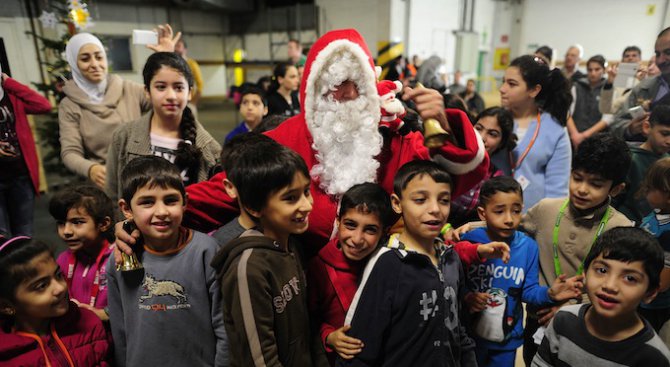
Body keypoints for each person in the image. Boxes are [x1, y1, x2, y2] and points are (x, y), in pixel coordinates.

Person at [118, 28, 488, 263]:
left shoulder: (396, 139)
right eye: (333, 84)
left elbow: (453, 180)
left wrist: (447, 121)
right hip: (305, 287)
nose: (343, 95)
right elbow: (223, 192)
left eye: (353, 83)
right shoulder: (285, 139)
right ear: (313, 90)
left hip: (384, 285)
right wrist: (149, 214)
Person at [337, 160, 479, 367]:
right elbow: (358, 351)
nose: (435, 209)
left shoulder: (451, 258)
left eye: (444, 200)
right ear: (397, 203)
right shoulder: (386, 264)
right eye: (420, 200)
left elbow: (458, 330)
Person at [210, 140, 328, 367]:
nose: (307, 205)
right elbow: (259, 357)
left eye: (306, 192)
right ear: (254, 207)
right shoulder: (248, 268)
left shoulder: (291, 245)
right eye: (290, 198)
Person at [106, 156, 227, 366]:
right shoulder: (119, 258)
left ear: (185, 202)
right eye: (147, 202)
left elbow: (224, 326)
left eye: (170, 200)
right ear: (126, 209)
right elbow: (120, 328)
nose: (161, 212)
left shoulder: (206, 252)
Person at [461, 176, 583, 367]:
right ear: (482, 214)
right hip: (468, 337)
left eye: (516, 211)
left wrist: (550, 293)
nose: (509, 219)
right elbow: (453, 282)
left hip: (507, 341)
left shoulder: (528, 247)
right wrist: (467, 296)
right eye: (499, 211)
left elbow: (528, 291)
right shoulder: (470, 242)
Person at [59, 25, 180, 188]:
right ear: (74, 63)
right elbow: (70, 152)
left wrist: (167, 59)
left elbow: (170, 101)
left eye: (99, 57)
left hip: (146, 175)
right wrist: (91, 169)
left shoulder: (129, 89)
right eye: (85, 59)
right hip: (107, 182)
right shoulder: (70, 105)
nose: (95, 64)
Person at [532, 227, 670, 366]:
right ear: (585, 274)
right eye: (602, 270)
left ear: (650, 293)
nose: (610, 285)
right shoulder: (563, 319)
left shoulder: (654, 357)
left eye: (630, 278)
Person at [105, 52, 221, 204]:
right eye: (161, 87)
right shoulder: (123, 137)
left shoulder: (209, 149)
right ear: (147, 91)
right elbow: (112, 195)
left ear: (190, 93)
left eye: (179, 87)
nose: (171, 95)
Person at [307, 183, 395, 364]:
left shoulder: (388, 265)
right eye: (350, 225)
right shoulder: (319, 266)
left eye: (370, 229)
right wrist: (329, 336)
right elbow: (308, 318)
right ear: (338, 222)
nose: (357, 239)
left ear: (384, 233)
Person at [0, 236, 111, 365]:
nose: (60, 288)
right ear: (6, 306)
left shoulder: (89, 322)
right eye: (41, 286)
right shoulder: (6, 356)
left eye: (58, 275)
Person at [497, 54, 572, 210]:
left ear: (533, 90)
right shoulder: (493, 121)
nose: (502, 89)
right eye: (503, 82)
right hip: (489, 215)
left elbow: (557, 190)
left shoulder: (554, 129)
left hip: (533, 220)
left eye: (512, 84)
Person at [48, 185, 114, 321]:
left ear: (103, 224)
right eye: (61, 223)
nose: (66, 231)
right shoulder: (63, 260)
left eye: (77, 222)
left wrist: (102, 314)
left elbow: (133, 304)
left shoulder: (118, 259)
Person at [0, 70, 51, 238]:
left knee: (24, 232)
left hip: (20, 175)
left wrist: (9, 83)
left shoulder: (11, 96)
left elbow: (44, 105)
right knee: (2, 234)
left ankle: (22, 265)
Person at [450, 107, 516, 227]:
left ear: (501, 143)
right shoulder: (450, 158)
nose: (481, 137)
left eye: (492, 134)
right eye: (478, 128)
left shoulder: (496, 178)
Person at [613, 104, 670, 224]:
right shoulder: (629, 158)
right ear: (647, 127)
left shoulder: (667, 162)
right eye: (664, 134)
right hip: (624, 225)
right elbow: (614, 200)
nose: (669, 141)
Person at [612, 27, 670, 141]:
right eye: (657, 54)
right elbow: (616, 121)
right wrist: (630, 128)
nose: (661, 60)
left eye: (668, 52)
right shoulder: (644, 86)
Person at [638, 158, 670, 334]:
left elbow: (662, 282)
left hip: (655, 305)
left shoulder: (668, 233)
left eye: (650, 188)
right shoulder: (658, 213)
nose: (645, 192)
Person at [567, 55, 612, 148]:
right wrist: (575, 135)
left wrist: (584, 136)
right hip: (574, 137)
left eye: (597, 69)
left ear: (604, 70)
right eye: (590, 70)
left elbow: (607, 118)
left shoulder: (608, 88)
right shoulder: (577, 86)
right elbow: (567, 112)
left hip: (598, 139)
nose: (593, 73)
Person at [599, 46, 644, 115]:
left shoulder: (646, 77)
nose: (630, 58)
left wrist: (618, 101)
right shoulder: (618, 80)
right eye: (627, 56)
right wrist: (609, 83)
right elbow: (606, 109)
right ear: (622, 60)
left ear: (640, 59)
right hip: (619, 121)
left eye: (634, 55)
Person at [174, 38, 204, 116]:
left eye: (178, 46)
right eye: (174, 46)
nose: (175, 48)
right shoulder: (172, 65)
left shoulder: (192, 64)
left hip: (188, 102)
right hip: (175, 102)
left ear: (185, 49)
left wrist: (193, 103)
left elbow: (200, 84)